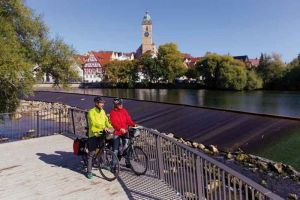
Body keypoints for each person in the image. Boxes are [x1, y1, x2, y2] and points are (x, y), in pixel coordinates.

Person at [86, 96, 112, 179]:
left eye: (103, 103)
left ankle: (102, 164)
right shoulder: (91, 112)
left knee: (102, 149)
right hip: (93, 134)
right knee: (91, 153)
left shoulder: (103, 111)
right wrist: (103, 127)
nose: (102, 104)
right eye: (101, 103)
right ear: (96, 103)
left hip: (101, 134)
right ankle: (89, 172)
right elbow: (93, 123)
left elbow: (106, 122)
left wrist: (112, 127)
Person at [110, 98, 135, 168]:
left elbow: (128, 119)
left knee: (126, 147)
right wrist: (119, 129)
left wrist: (134, 125)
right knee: (115, 150)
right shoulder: (112, 112)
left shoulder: (124, 110)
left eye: (121, 104)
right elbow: (113, 123)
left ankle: (127, 162)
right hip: (117, 132)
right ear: (115, 105)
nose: (121, 105)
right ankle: (113, 165)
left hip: (125, 132)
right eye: (119, 104)